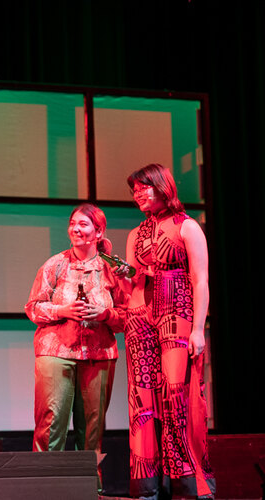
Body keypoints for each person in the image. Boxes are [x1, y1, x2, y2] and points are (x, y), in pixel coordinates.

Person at [119, 163, 215, 499]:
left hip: (177, 313)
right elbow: (133, 280)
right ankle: (146, 485)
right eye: (135, 190)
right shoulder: (136, 234)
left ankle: (187, 483)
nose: (138, 194)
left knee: (177, 396)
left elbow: (200, 280)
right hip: (139, 317)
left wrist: (198, 328)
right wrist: (122, 275)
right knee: (141, 402)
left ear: (163, 186)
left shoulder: (186, 226)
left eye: (144, 187)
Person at [24, 203, 127, 493]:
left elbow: (126, 317)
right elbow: (32, 308)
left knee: (92, 430)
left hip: (99, 354)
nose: (76, 229)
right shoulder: (55, 265)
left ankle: (88, 491)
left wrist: (104, 314)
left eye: (83, 224)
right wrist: (63, 311)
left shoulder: (112, 270)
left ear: (98, 231)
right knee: (51, 423)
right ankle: (44, 491)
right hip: (56, 351)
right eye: (73, 223)